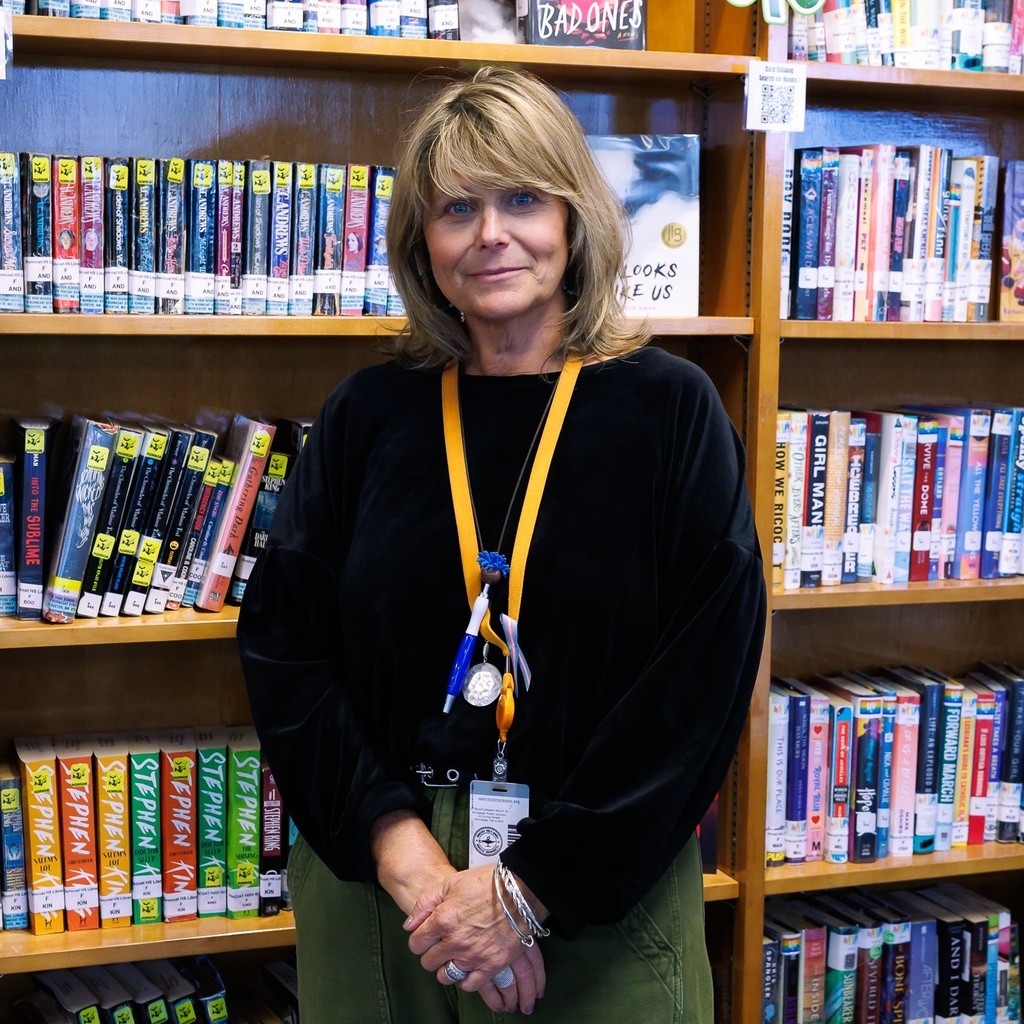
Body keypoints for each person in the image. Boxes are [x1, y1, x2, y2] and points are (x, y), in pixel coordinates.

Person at [237, 66, 766, 1023]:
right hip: (386, 885)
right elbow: (286, 649)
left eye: (521, 198)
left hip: (604, 878)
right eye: (456, 209)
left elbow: (703, 678)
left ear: (573, 218)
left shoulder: (669, 409)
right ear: (421, 243)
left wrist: (524, 892)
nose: (491, 234)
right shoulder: (366, 415)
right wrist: (416, 868)